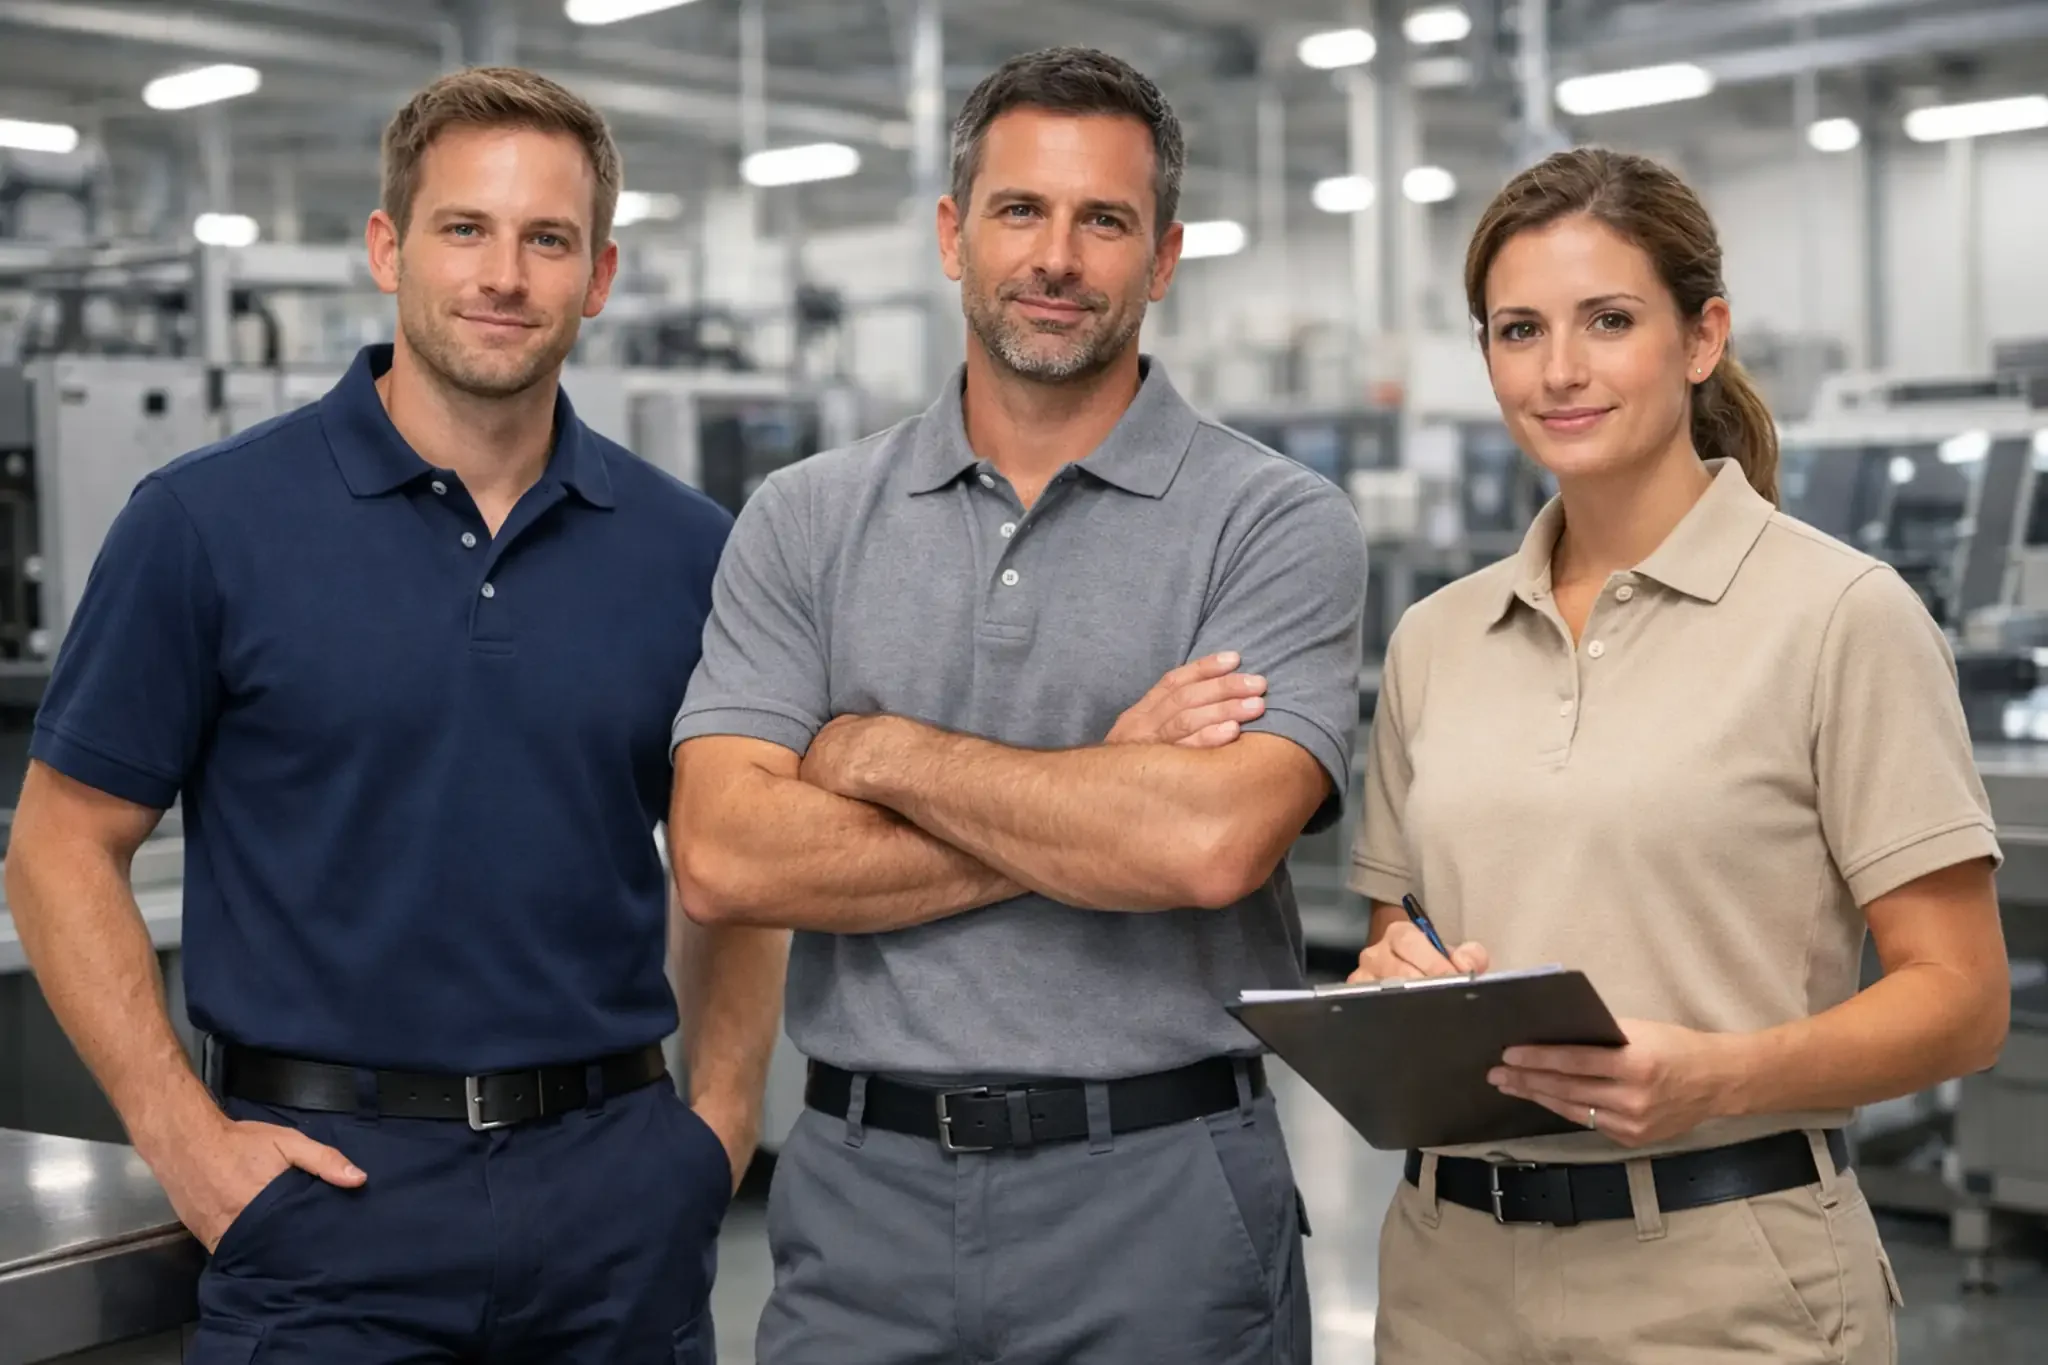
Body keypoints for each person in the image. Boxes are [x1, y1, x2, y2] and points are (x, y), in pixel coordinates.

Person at [4, 67, 786, 1363]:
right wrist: (185, 1141)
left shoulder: (688, 550)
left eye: (549, 240)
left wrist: (717, 1121)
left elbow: (738, 866)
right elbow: (58, 846)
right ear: (388, 247)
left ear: (598, 277)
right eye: (463, 229)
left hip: (615, 1208)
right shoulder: (204, 526)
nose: (505, 274)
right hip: (328, 1211)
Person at [669, 45, 1366, 1365]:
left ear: (1161, 257)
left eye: (1105, 220)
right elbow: (723, 855)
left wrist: (871, 749)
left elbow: (1204, 846)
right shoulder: (803, 521)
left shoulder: (1272, 523)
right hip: (861, 1203)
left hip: (1160, 1197)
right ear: (952, 233)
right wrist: (1100, 781)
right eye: (1020, 210)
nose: (1058, 256)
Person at [1347, 145, 2011, 1364]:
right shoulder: (1434, 639)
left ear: (1700, 337)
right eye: (1516, 329)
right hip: (1445, 1275)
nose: (1558, 371)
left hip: (1724, 1279)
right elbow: (1399, 942)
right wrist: (1385, 983)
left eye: (1607, 321)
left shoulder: (1837, 616)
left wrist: (1721, 1076)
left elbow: (1961, 1004)